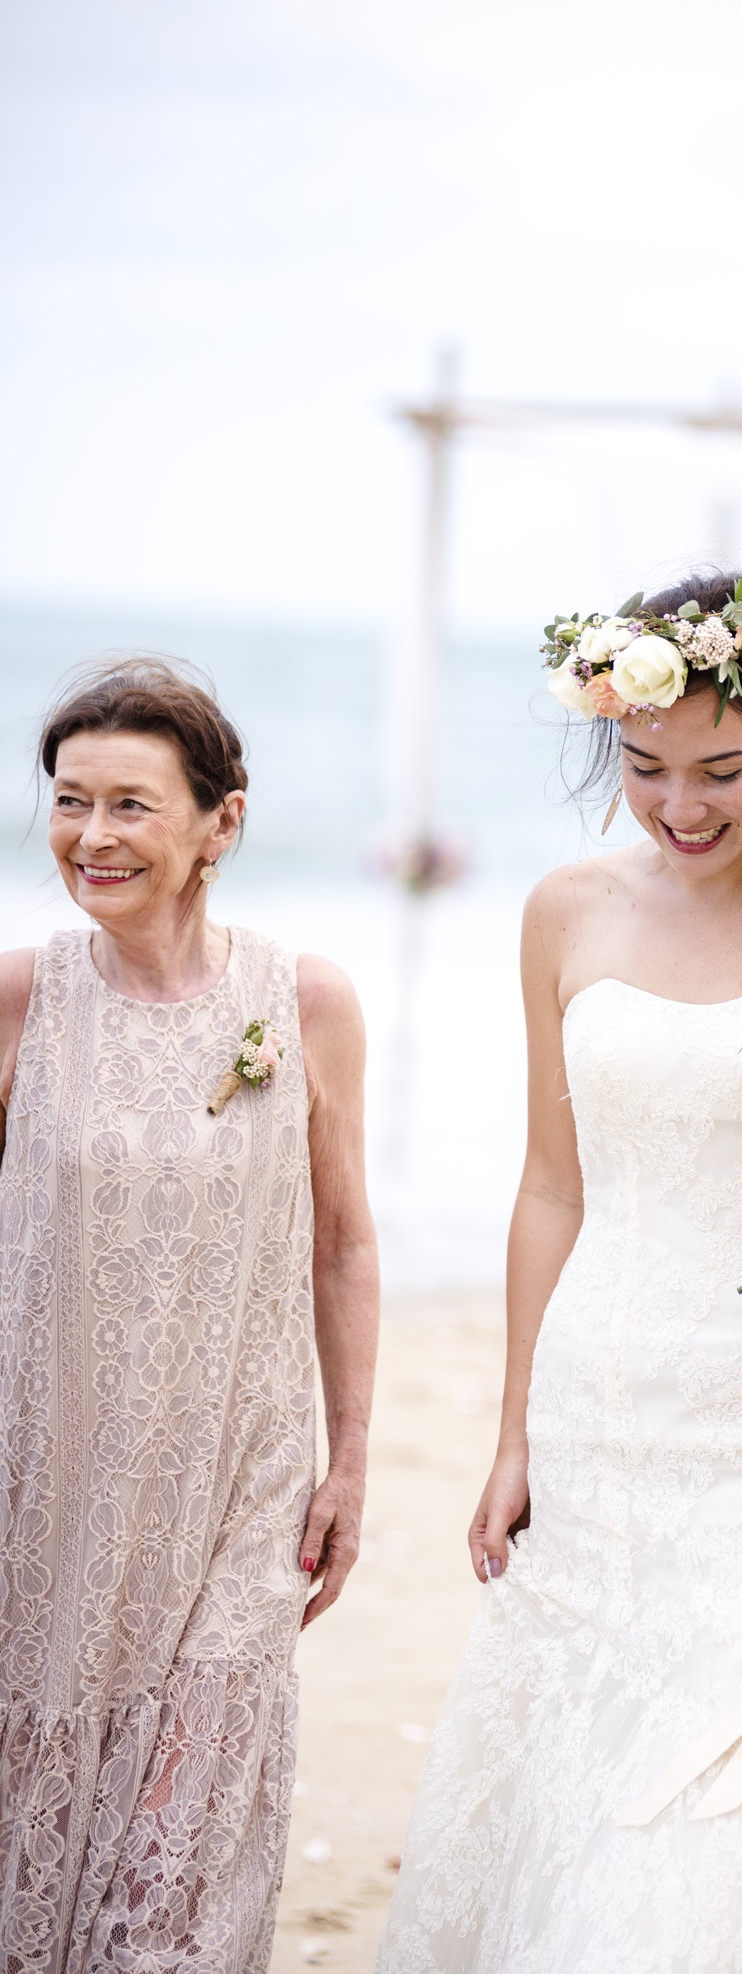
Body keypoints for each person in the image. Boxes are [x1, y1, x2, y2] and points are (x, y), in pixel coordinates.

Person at [377, 573, 742, 1974]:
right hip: (604, 1411)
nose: (680, 805)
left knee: (738, 1794)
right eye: (645, 769)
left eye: (722, 771)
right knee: (584, 1772)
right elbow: (550, 1185)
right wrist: (513, 1427)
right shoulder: (564, 910)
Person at [0, 658, 379, 1973]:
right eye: (67, 801)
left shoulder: (304, 1001)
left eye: (130, 806)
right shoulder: (21, 996)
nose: (91, 838)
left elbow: (342, 1242)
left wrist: (353, 1460)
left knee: (178, 1875)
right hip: (46, 1497)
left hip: (241, 1482)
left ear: (221, 822)